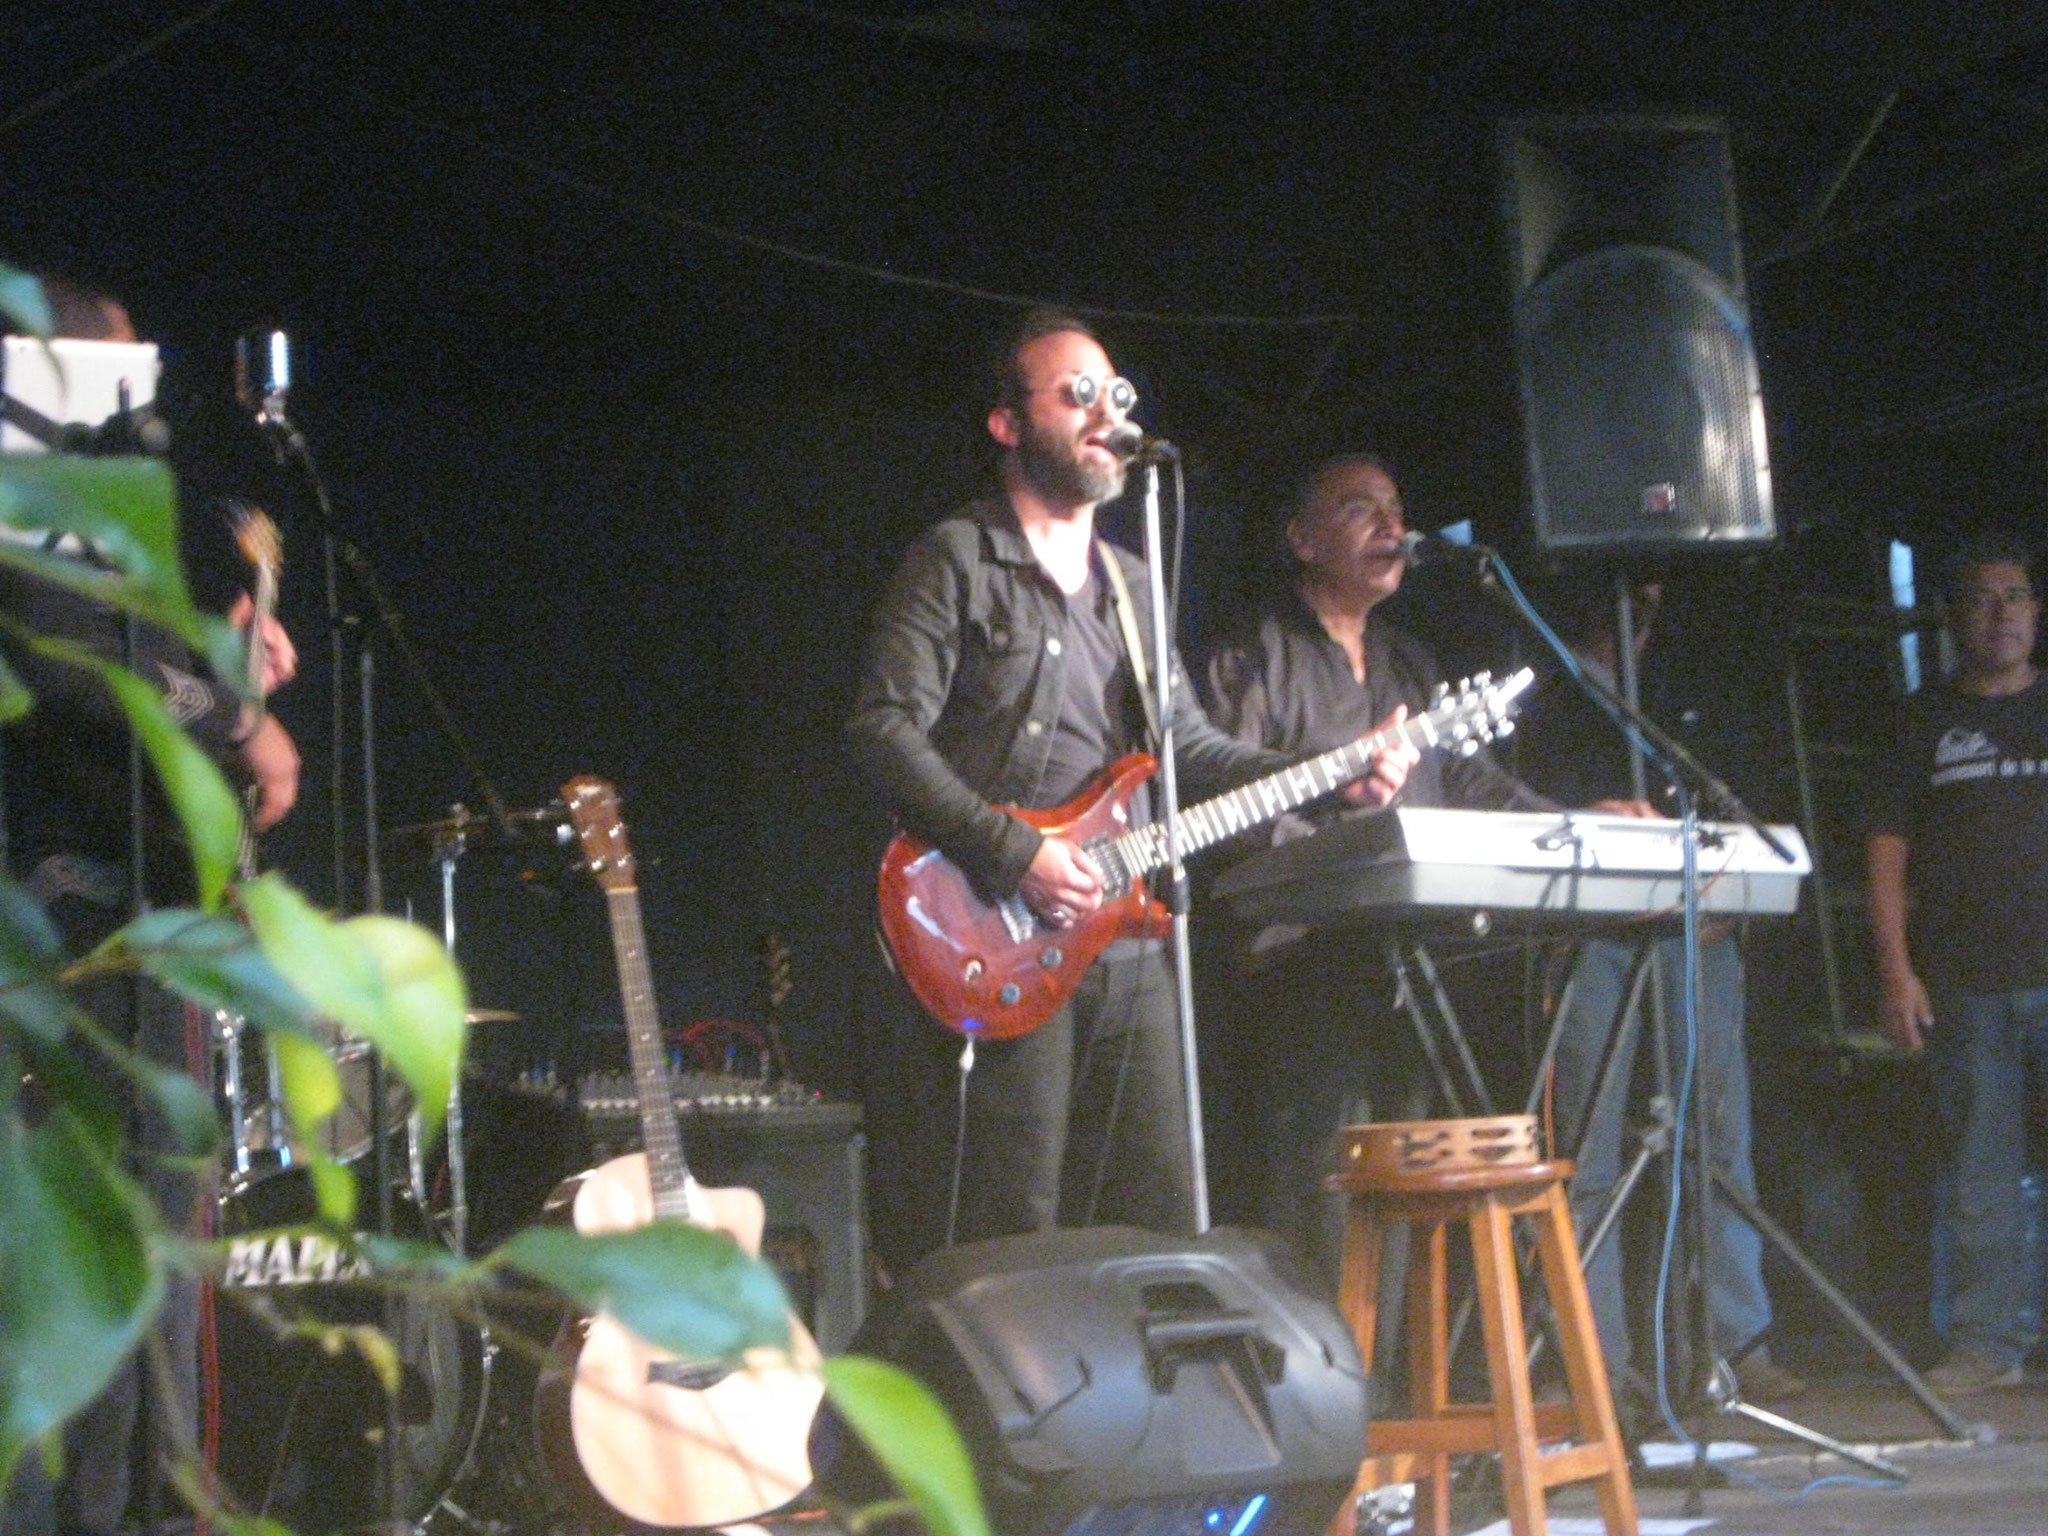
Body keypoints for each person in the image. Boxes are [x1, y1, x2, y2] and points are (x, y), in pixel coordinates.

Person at [845, 312, 1416, 1259]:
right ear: (1007, 423)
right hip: (1001, 925)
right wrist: (1017, 852)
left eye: (1113, 393)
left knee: (1159, 1208)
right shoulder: (957, 559)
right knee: (1014, 1217)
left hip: (1126, 935)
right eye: (1075, 393)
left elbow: (1189, 748)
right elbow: (882, 730)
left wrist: (1333, 777)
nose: (1102, 411)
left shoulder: (1132, 583)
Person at [0, 286, 301, 1536]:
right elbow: (58, 649)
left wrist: (221, 676)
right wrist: (233, 715)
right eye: (119, 370)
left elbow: (123, 667)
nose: (141, 401)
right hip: (67, 912)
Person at [1203, 455, 1536, 1298]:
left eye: (1395, 507)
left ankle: (1380, 1378)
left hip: (1412, 960)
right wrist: (1335, 844)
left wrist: (1574, 824)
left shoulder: (1409, 663)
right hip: (1298, 968)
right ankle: (1318, 1377)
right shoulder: (1255, 653)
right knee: (1318, 1195)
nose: (1391, 525)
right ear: (1302, 540)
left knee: (1400, 1193)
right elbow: (1226, 813)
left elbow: (1470, 781)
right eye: (1359, 509)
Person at [1512, 580, 1803, 1408]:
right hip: (1587, 932)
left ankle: (1729, 1345)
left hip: (1695, 931)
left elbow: (1738, 792)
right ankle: (1588, 1356)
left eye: (1650, 607)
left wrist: (1723, 888)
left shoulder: (1689, 687)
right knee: (1585, 1150)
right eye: (1625, 606)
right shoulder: (1545, 696)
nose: (1639, 622)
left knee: (1717, 1136)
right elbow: (1515, 802)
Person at [1867, 531, 2048, 1394]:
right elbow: (1885, 854)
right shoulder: (1920, 720)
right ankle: (1987, 1344)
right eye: (1981, 597)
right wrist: (1895, 972)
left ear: (2037, 611)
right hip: (1966, 982)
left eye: (2015, 595)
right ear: (1952, 618)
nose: (2000, 612)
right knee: (1981, 1170)